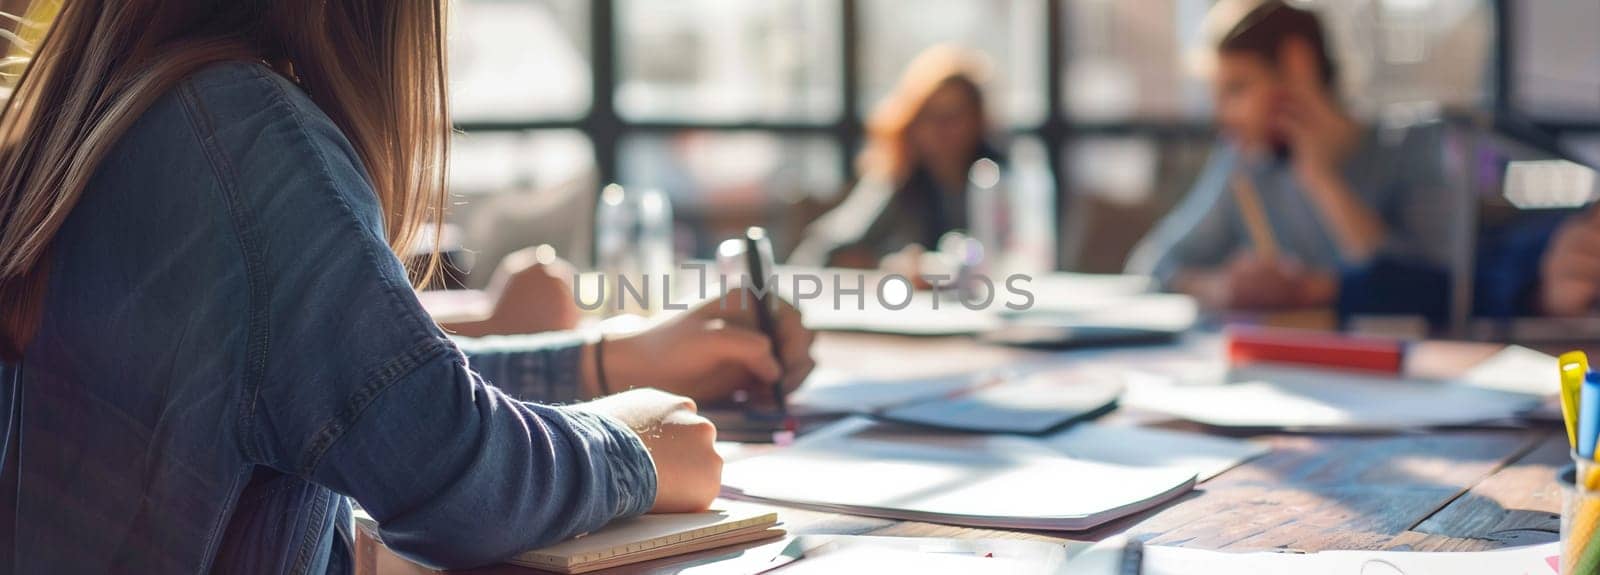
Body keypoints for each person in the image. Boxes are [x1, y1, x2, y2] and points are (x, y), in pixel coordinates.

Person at [0, 1, 813, 572]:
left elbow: (355, 389)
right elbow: (445, 463)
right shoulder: (238, 129)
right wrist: (632, 450)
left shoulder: (104, 116)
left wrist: (610, 359)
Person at [1124, 0, 1452, 311]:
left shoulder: (1411, 148)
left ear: (1298, 64)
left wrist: (1320, 179)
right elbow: (1152, 264)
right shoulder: (1246, 163)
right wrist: (1221, 288)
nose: (1223, 117)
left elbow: (1434, 290)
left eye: (1237, 89)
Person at [790, 45, 1002, 270]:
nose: (942, 129)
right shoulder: (898, 179)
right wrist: (889, 266)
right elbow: (822, 252)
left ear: (977, 120)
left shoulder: (999, 176)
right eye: (930, 116)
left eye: (954, 116)